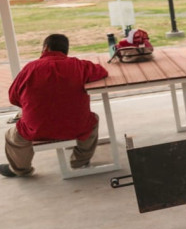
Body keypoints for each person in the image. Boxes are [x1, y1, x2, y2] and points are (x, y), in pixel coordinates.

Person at [3, 34, 108, 177]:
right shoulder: (79, 65)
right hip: (76, 127)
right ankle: (80, 162)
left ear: (45, 48)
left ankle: (21, 169)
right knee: (93, 121)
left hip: (36, 130)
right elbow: (102, 71)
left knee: (12, 136)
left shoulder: (30, 68)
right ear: (66, 50)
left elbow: (13, 97)